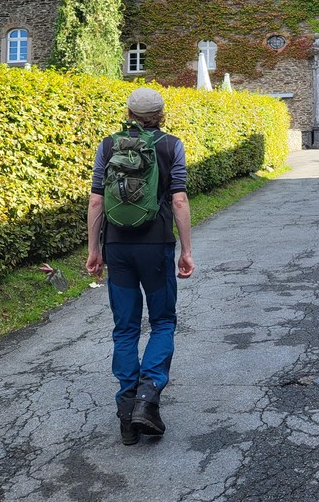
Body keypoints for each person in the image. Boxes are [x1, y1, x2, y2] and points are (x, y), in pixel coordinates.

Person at [86, 87, 195, 446]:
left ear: (129, 113)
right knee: (163, 321)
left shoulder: (107, 146)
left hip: (117, 247)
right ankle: (148, 397)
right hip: (157, 245)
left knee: (125, 328)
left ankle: (126, 408)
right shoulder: (170, 145)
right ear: (161, 114)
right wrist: (186, 249)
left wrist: (94, 249)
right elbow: (178, 200)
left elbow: (97, 201)